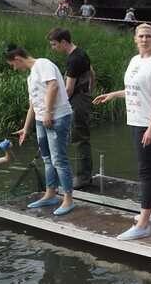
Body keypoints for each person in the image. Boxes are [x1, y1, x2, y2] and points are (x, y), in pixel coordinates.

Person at [93, 23, 151, 240]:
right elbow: (135, 89)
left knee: (145, 171)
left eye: (148, 36)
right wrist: (114, 95)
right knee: (150, 165)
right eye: (141, 36)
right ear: (135, 39)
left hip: (149, 123)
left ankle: (143, 224)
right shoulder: (136, 60)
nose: (144, 39)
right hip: (136, 120)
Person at [6, 44, 75, 216]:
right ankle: (50, 193)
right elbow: (33, 105)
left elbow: (53, 86)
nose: (14, 69)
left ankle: (68, 199)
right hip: (41, 119)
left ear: (17, 59)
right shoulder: (31, 77)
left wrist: (49, 112)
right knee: (47, 158)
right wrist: (26, 128)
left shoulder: (42, 64)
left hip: (57, 116)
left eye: (13, 65)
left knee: (59, 159)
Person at [47, 28, 96, 189]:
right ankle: (85, 175)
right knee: (81, 137)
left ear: (63, 42)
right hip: (83, 97)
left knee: (79, 138)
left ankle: (83, 177)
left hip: (77, 101)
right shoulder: (81, 53)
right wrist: (89, 92)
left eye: (54, 44)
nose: (53, 48)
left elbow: (68, 89)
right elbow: (92, 73)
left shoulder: (73, 59)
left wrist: (55, 107)